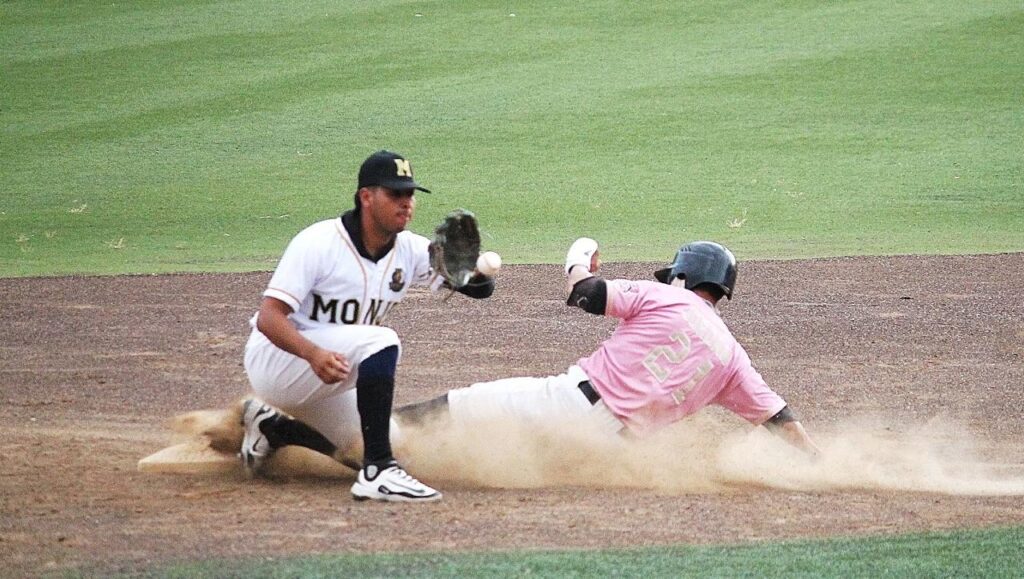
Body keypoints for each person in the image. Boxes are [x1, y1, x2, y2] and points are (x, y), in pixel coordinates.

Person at [397, 238, 822, 458]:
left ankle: (374, 442)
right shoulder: (732, 358)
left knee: (454, 409)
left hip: (566, 404)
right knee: (501, 455)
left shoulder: (667, 297)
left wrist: (579, 255)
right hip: (609, 451)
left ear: (684, 276)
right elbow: (778, 417)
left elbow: (585, 293)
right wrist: (816, 461)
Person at [240, 150, 494, 503]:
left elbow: (479, 291)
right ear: (366, 197)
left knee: (388, 442)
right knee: (380, 341)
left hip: (333, 370)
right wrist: (312, 354)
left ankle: (273, 428)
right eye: (395, 194)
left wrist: (473, 271)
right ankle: (377, 473)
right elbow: (270, 318)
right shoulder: (318, 243)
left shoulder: (411, 250)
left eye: (410, 194)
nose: (406, 203)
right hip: (279, 362)